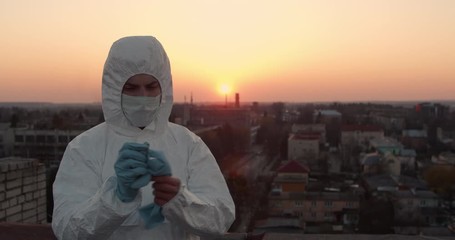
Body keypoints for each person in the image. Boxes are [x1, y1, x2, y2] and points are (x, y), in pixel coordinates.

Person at [52, 36, 235, 239]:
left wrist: (182, 202)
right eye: (131, 88)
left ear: (164, 88)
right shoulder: (84, 148)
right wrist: (115, 197)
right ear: (113, 89)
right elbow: (67, 229)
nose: (142, 97)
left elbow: (222, 218)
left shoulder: (188, 144)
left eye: (151, 87)